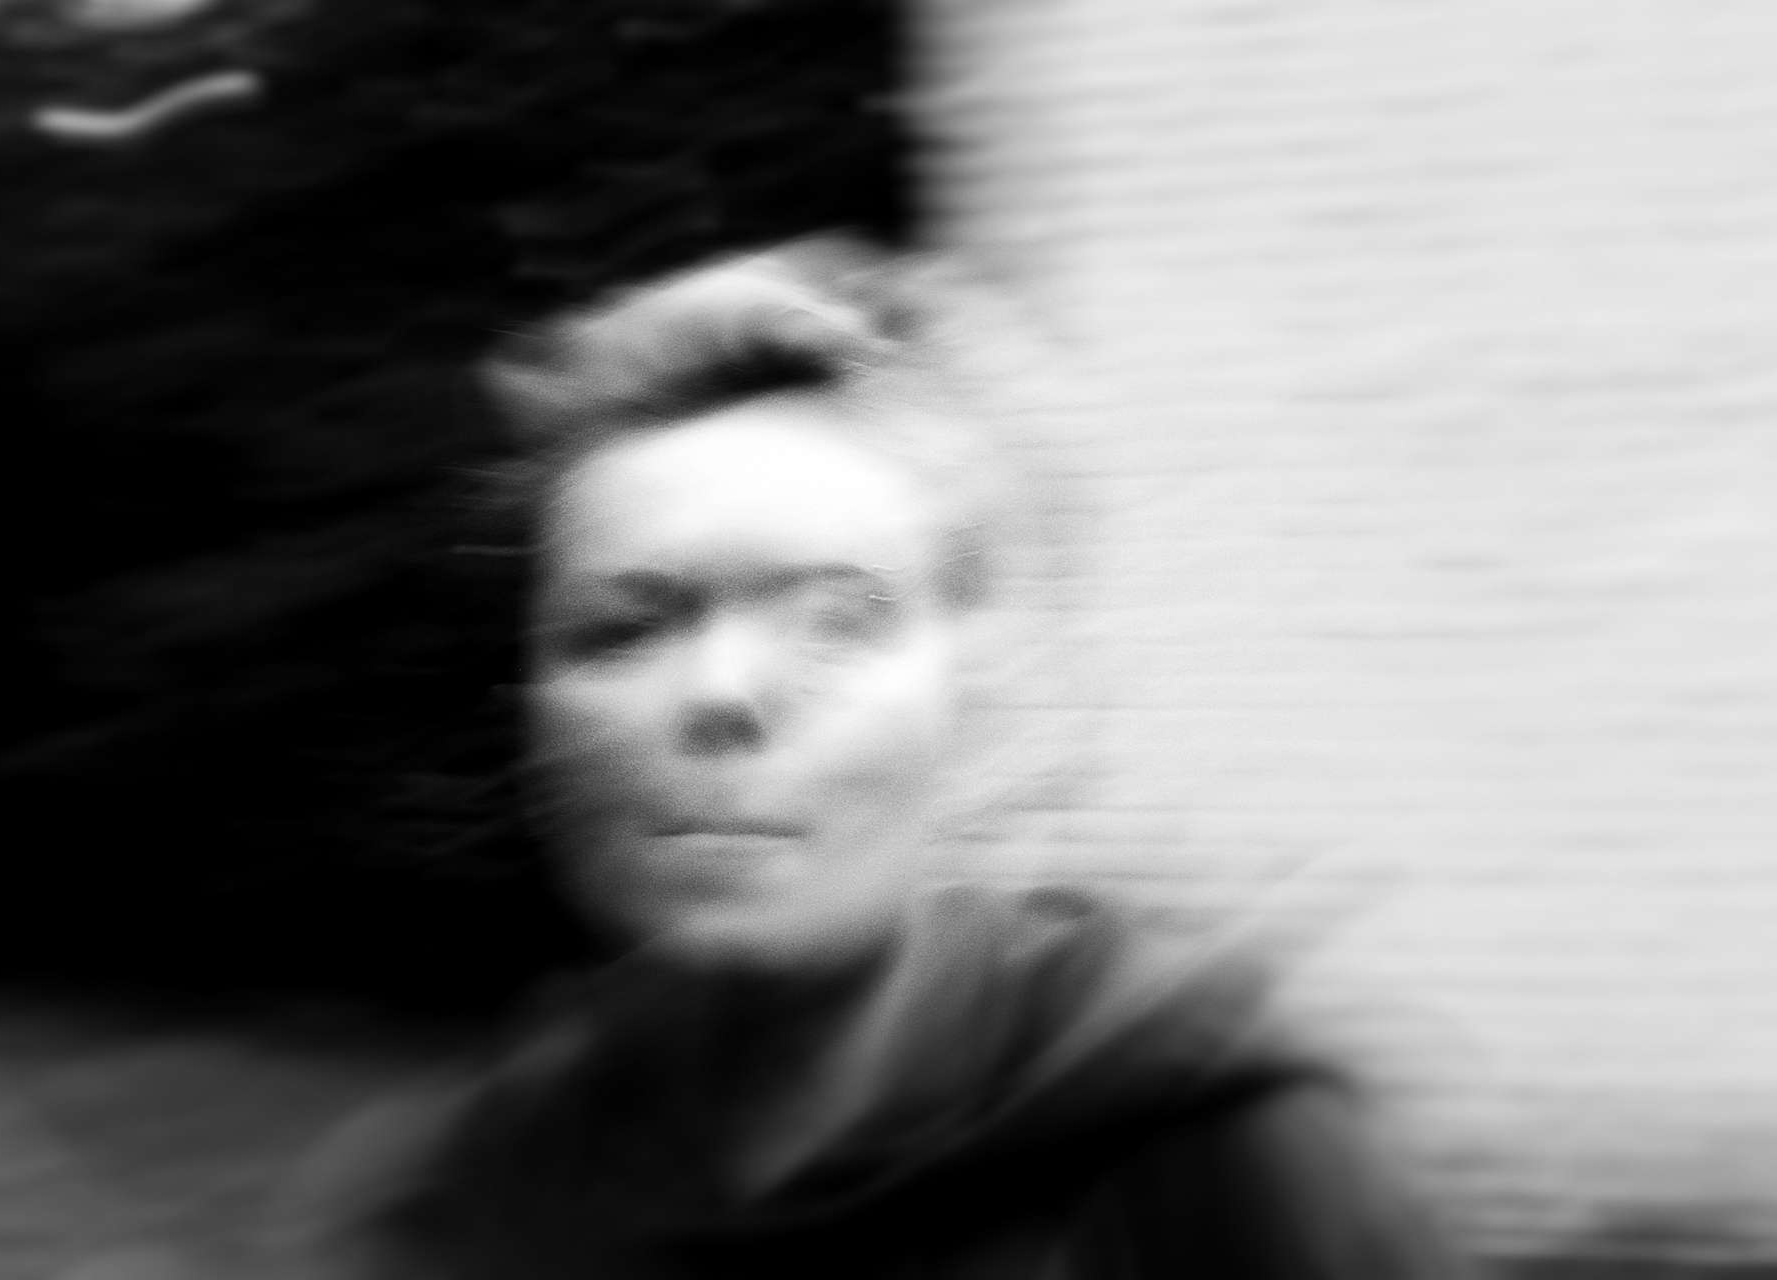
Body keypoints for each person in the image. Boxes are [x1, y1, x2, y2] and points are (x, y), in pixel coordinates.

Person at [279, 238, 1480, 1280]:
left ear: (976, 699)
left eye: (835, 617)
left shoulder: (1237, 1173)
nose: (718, 691)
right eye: (624, 626)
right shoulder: (453, 1196)